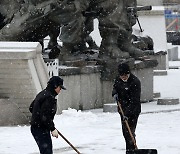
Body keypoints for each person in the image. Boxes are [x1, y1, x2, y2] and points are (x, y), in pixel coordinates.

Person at [29, 76, 66, 154]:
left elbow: (31, 108)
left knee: (46, 151)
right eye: (60, 88)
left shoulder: (42, 93)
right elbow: (45, 116)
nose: (60, 90)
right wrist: (52, 128)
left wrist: (38, 117)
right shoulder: (49, 98)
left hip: (37, 128)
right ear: (55, 86)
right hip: (40, 129)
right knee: (47, 152)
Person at [112, 63, 141, 152]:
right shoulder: (118, 79)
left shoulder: (135, 82)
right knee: (125, 133)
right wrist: (114, 93)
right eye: (121, 75)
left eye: (125, 75)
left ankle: (131, 150)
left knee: (130, 133)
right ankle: (129, 150)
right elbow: (115, 87)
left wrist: (127, 114)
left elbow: (134, 101)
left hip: (133, 111)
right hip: (123, 109)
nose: (123, 77)